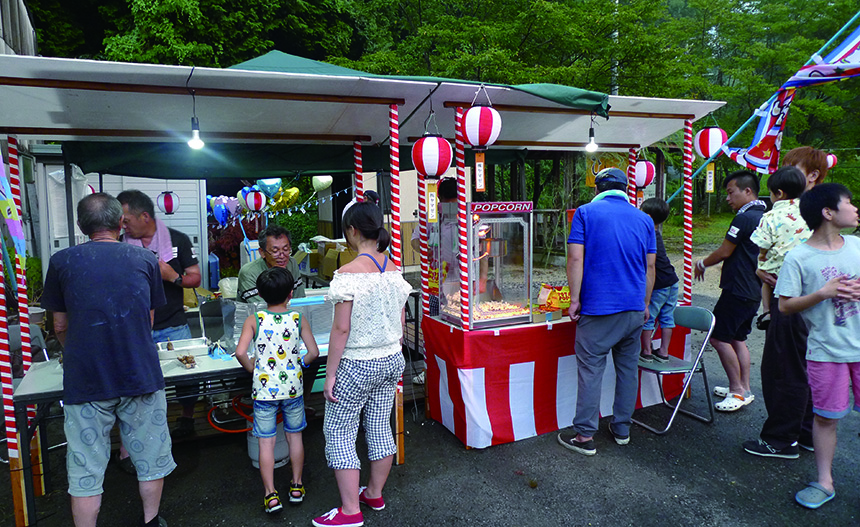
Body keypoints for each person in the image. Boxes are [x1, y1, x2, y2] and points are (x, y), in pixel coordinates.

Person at [41, 193, 175, 527]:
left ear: (80, 225)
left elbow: (59, 325)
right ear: (120, 223)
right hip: (139, 372)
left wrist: (79, 350)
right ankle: (151, 520)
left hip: (85, 379)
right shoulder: (144, 260)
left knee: (86, 466)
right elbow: (148, 320)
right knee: (150, 456)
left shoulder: (61, 262)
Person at [312, 199, 412, 527]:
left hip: (357, 363)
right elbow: (399, 325)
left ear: (353, 231)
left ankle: (350, 511)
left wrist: (330, 377)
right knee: (380, 425)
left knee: (340, 431)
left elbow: (341, 329)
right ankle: (374, 493)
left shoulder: (347, 274)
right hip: (391, 360)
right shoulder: (395, 270)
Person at [769, 184, 860, 509]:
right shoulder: (799, 257)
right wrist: (823, 293)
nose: (855, 209)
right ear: (828, 212)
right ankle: (824, 481)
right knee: (825, 418)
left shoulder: (856, 246)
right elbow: (784, 306)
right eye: (849, 203)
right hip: (825, 352)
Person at [557, 167, 656, 456]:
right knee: (627, 369)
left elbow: (576, 257)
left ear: (598, 188)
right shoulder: (644, 219)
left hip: (599, 308)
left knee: (590, 369)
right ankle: (622, 427)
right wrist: (646, 303)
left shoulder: (586, 213)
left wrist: (574, 299)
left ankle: (585, 435)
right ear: (627, 189)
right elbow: (650, 266)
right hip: (634, 308)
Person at [743, 146, 829, 458]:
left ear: (812, 175)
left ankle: (780, 439)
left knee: (783, 369)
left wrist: (765, 269)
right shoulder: (822, 209)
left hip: (792, 301)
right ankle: (805, 432)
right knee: (806, 367)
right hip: (816, 304)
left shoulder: (788, 212)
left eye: (793, 167)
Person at [117, 189, 202, 440]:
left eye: (126, 220)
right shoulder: (121, 244)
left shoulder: (178, 240)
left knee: (187, 378)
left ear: (144, 216)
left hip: (173, 323)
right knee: (141, 381)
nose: (123, 226)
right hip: (136, 325)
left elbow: (195, 278)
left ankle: (187, 418)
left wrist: (172, 276)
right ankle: (149, 427)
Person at [235, 267, 320, 514]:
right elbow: (313, 353)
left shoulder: (255, 320)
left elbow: (240, 352)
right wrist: (300, 364)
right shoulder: (297, 318)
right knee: (295, 437)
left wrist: (253, 368)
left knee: (266, 443)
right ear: (290, 293)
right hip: (293, 388)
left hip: (264, 391)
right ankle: (296, 486)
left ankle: (270, 495)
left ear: (260, 294)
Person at [694, 171, 766, 412]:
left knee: (718, 337)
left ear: (748, 191)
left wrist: (703, 262)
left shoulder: (744, 219)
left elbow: (725, 251)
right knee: (738, 338)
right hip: (753, 289)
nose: (728, 198)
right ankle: (744, 388)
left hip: (738, 289)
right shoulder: (764, 215)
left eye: (731, 192)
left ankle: (737, 390)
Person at [750, 166, 810, 330]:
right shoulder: (810, 211)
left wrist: (762, 256)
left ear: (779, 193)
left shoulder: (770, 216)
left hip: (780, 271)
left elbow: (762, 243)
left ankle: (767, 311)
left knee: (764, 276)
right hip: (806, 270)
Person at [639, 198, 679, 363]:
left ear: (647, 216)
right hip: (672, 281)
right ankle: (663, 351)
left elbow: (650, 265)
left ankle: (647, 351)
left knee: (648, 317)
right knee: (667, 317)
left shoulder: (647, 236)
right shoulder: (657, 234)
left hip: (659, 284)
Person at [237, 224, 306, 304]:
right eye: (275, 251)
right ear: (262, 252)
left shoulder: (291, 263)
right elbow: (261, 308)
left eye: (286, 249)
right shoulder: (249, 273)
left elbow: (300, 300)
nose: (282, 255)